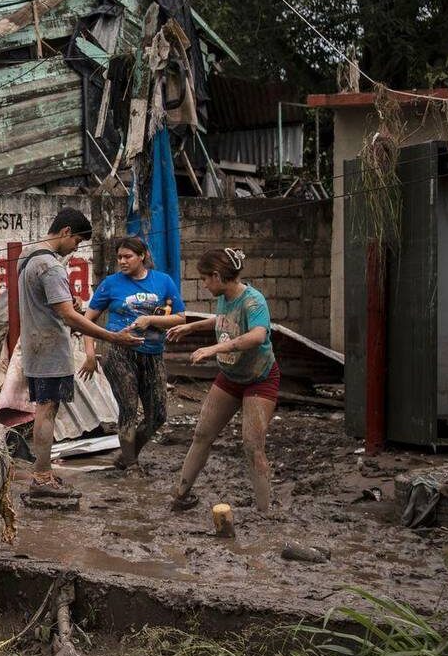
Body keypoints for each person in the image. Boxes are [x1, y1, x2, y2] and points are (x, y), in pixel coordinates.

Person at [18, 208, 143, 497]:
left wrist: (67, 304)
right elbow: (68, 316)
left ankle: (42, 473)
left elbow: (51, 304)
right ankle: (42, 476)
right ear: (65, 233)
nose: (76, 249)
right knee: (48, 410)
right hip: (50, 349)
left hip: (35, 346)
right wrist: (112, 336)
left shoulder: (27, 257)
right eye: (76, 242)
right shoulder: (50, 266)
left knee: (44, 408)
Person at [165, 247, 279, 513]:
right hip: (230, 376)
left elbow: (258, 335)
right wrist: (193, 326)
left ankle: (265, 511)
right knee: (202, 433)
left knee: (252, 446)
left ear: (217, 276)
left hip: (259, 379)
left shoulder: (254, 301)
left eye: (205, 278)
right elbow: (224, 320)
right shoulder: (226, 297)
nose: (203, 284)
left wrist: (214, 349)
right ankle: (181, 496)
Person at [80, 237, 184, 470]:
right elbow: (87, 320)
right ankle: (132, 466)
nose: (122, 262)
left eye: (128, 257)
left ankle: (127, 455)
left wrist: (151, 319)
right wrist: (89, 353)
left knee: (158, 415)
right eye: (119, 257)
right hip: (120, 353)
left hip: (153, 354)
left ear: (143, 256)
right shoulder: (111, 284)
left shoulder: (163, 282)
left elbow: (180, 317)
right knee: (128, 408)